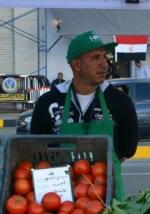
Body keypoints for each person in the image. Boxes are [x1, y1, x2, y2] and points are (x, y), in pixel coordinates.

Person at [30, 30, 138, 200]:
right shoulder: (48, 102)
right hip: (60, 197)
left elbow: (127, 150)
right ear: (77, 65)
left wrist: (97, 177)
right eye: (96, 58)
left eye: (104, 57)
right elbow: (37, 148)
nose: (105, 64)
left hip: (107, 192)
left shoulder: (120, 101)